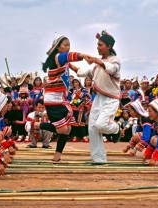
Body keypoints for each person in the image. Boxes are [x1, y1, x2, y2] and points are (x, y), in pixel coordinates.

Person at [33, 34, 90, 162]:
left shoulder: (64, 61)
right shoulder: (57, 57)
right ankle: (38, 124)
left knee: (67, 129)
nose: (68, 47)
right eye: (65, 45)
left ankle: (57, 157)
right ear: (57, 47)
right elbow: (71, 56)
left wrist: (90, 71)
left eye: (69, 45)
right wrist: (85, 56)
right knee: (63, 129)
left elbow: (75, 67)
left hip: (62, 98)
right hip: (53, 98)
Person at [70, 30, 121, 163]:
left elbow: (111, 69)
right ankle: (99, 159)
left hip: (111, 99)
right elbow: (82, 72)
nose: (97, 47)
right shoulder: (96, 65)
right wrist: (67, 63)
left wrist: (96, 60)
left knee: (101, 125)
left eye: (100, 45)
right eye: (97, 44)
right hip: (98, 98)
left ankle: (117, 129)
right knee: (92, 128)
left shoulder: (114, 61)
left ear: (108, 46)